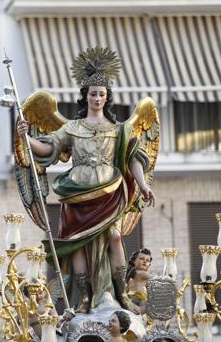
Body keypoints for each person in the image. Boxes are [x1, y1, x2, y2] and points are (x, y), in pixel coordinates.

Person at [16, 47, 157, 314]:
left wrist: (143, 183)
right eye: (93, 93)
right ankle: (83, 299)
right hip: (78, 192)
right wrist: (26, 138)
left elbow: (133, 159)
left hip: (109, 193)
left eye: (101, 94)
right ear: (86, 96)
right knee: (77, 245)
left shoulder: (119, 130)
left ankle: (121, 294)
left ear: (107, 98)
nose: (97, 98)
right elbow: (49, 148)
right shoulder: (72, 128)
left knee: (115, 238)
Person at [126, 248, 153, 313]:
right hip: (139, 300)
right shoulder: (142, 273)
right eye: (141, 259)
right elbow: (155, 280)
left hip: (131, 298)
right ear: (134, 261)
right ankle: (138, 313)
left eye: (147, 260)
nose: (145, 261)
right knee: (150, 303)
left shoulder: (132, 274)